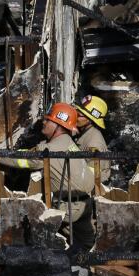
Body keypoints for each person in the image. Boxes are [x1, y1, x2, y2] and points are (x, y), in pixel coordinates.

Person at [40, 102, 97, 252]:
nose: (44, 122)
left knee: (37, 231)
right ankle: (90, 268)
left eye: (48, 120)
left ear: (58, 125)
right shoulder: (71, 143)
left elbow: (24, 160)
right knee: (88, 247)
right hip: (85, 203)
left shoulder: (50, 148)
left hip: (68, 207)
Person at [74, 94, 111, 186]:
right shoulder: (85, 133)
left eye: (79, 115)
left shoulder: (94, 142)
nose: (75, 116)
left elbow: (92, 174)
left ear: (90, 120)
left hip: (94, 187)